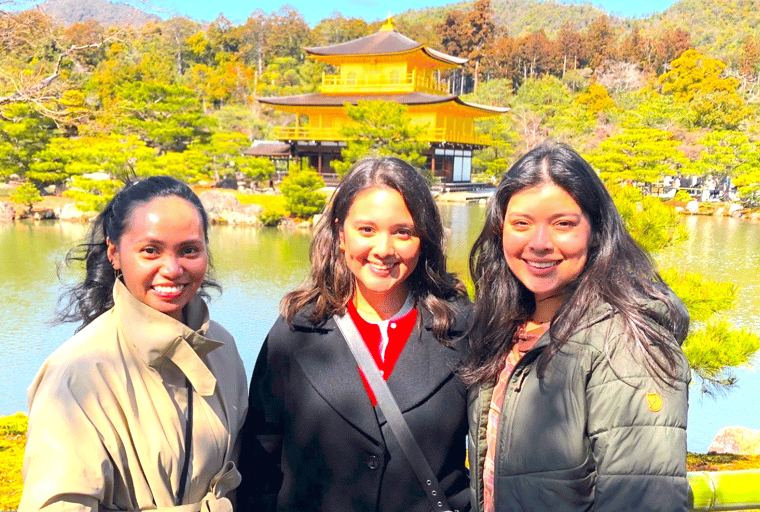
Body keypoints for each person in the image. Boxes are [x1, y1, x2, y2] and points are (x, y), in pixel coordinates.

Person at [463, 143, 690, 512]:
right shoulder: (509, 327)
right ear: (499, 230)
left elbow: (643, 499)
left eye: (563, 224)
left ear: (596, 231)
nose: (539, 244)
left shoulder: (624, 341)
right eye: (521, 223)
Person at [237, 157, 471, 512]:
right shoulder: (295, 330)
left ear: (423, 237)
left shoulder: (462, 328)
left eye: (402, 232)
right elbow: (259, 458)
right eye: (366, 230)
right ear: (340, 234)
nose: (383, 249)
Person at [20, 176, 248, 512]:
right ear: (114, 252)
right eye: (150, 251)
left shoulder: (221, 347)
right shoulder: (77, 372)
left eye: (189, 250)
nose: (172, 269)